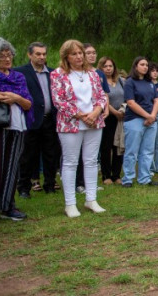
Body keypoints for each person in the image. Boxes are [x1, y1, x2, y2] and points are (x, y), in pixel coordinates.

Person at [50, 39, 107, 218]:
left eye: (80, 53)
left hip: (94, 122)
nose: (79, 56)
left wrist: (96, 112)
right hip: (70, 123)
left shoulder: (93, 74)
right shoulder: (57, 74)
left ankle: (91, 199)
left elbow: (101, 97)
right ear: (66, 56)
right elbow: (59, 101)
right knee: (70, 162)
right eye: (74, 54)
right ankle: (70, 204)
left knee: (91, 161)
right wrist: (83, 115)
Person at [0, 38, 33, 224]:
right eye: (1, 56)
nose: (7, 59)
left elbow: (28, 103)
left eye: (9, 55)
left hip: (17, 124)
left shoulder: (18, 77)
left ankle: (7, 205)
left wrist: (15, 97)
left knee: (12, 166)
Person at [15, 42, 61, 197]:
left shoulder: (53, 73)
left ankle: (50, 184)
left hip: (50, 119)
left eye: (44, 54)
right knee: (28, 156)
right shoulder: (21, 72)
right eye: (38, 54)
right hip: (31, 119)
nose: (42, 57)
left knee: (51, 154)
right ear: (30, 55)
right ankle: (23, 187)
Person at [75, 43, 110, 193]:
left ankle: (91, 184)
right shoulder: (70, 74)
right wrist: (85, 115)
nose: (91, 55)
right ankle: (79, 183)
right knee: (77, 154)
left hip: (97, 115)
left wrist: (104, 109)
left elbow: (103, 94)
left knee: (92, 154)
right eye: (88, 52)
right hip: (79, 117)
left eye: (94, 52)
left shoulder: (98, 74)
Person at [122, 56, 158, 187]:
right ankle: (128, 178)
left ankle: (144, 177)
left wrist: (153, 116)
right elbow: (131, 103)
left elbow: (156, 100)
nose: (145, 67)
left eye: (146, 65)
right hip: (134, 120)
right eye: (142, 64)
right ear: (135, 66)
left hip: (151, 121)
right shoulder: (130, 82)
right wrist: (147, 116)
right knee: (132, 150)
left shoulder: (150, 83)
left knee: (148, 150)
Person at [98, 57, 124, 185]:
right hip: (107, 117)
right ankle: (106, 175)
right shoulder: (99, 81)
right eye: (105, 66)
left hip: (121, 117)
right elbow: (102, 99)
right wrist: (114, 111)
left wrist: (122, 110)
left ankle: (116, 174)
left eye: (111, 66)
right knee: (106, 147)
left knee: (118, 145)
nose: (108, 68)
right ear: (101, 68)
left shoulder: (120, 81)